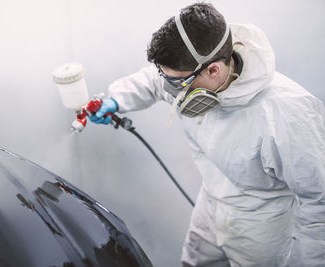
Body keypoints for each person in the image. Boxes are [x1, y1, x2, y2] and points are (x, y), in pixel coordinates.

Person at [89, 3, 325, 267]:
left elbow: (320, 205)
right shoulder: (189, 73)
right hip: (209, 206)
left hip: (260, 230)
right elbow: (157, 81)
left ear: (213, 70)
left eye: (177, 84)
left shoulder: (288, 114)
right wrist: (115, 99)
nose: (170, 90)